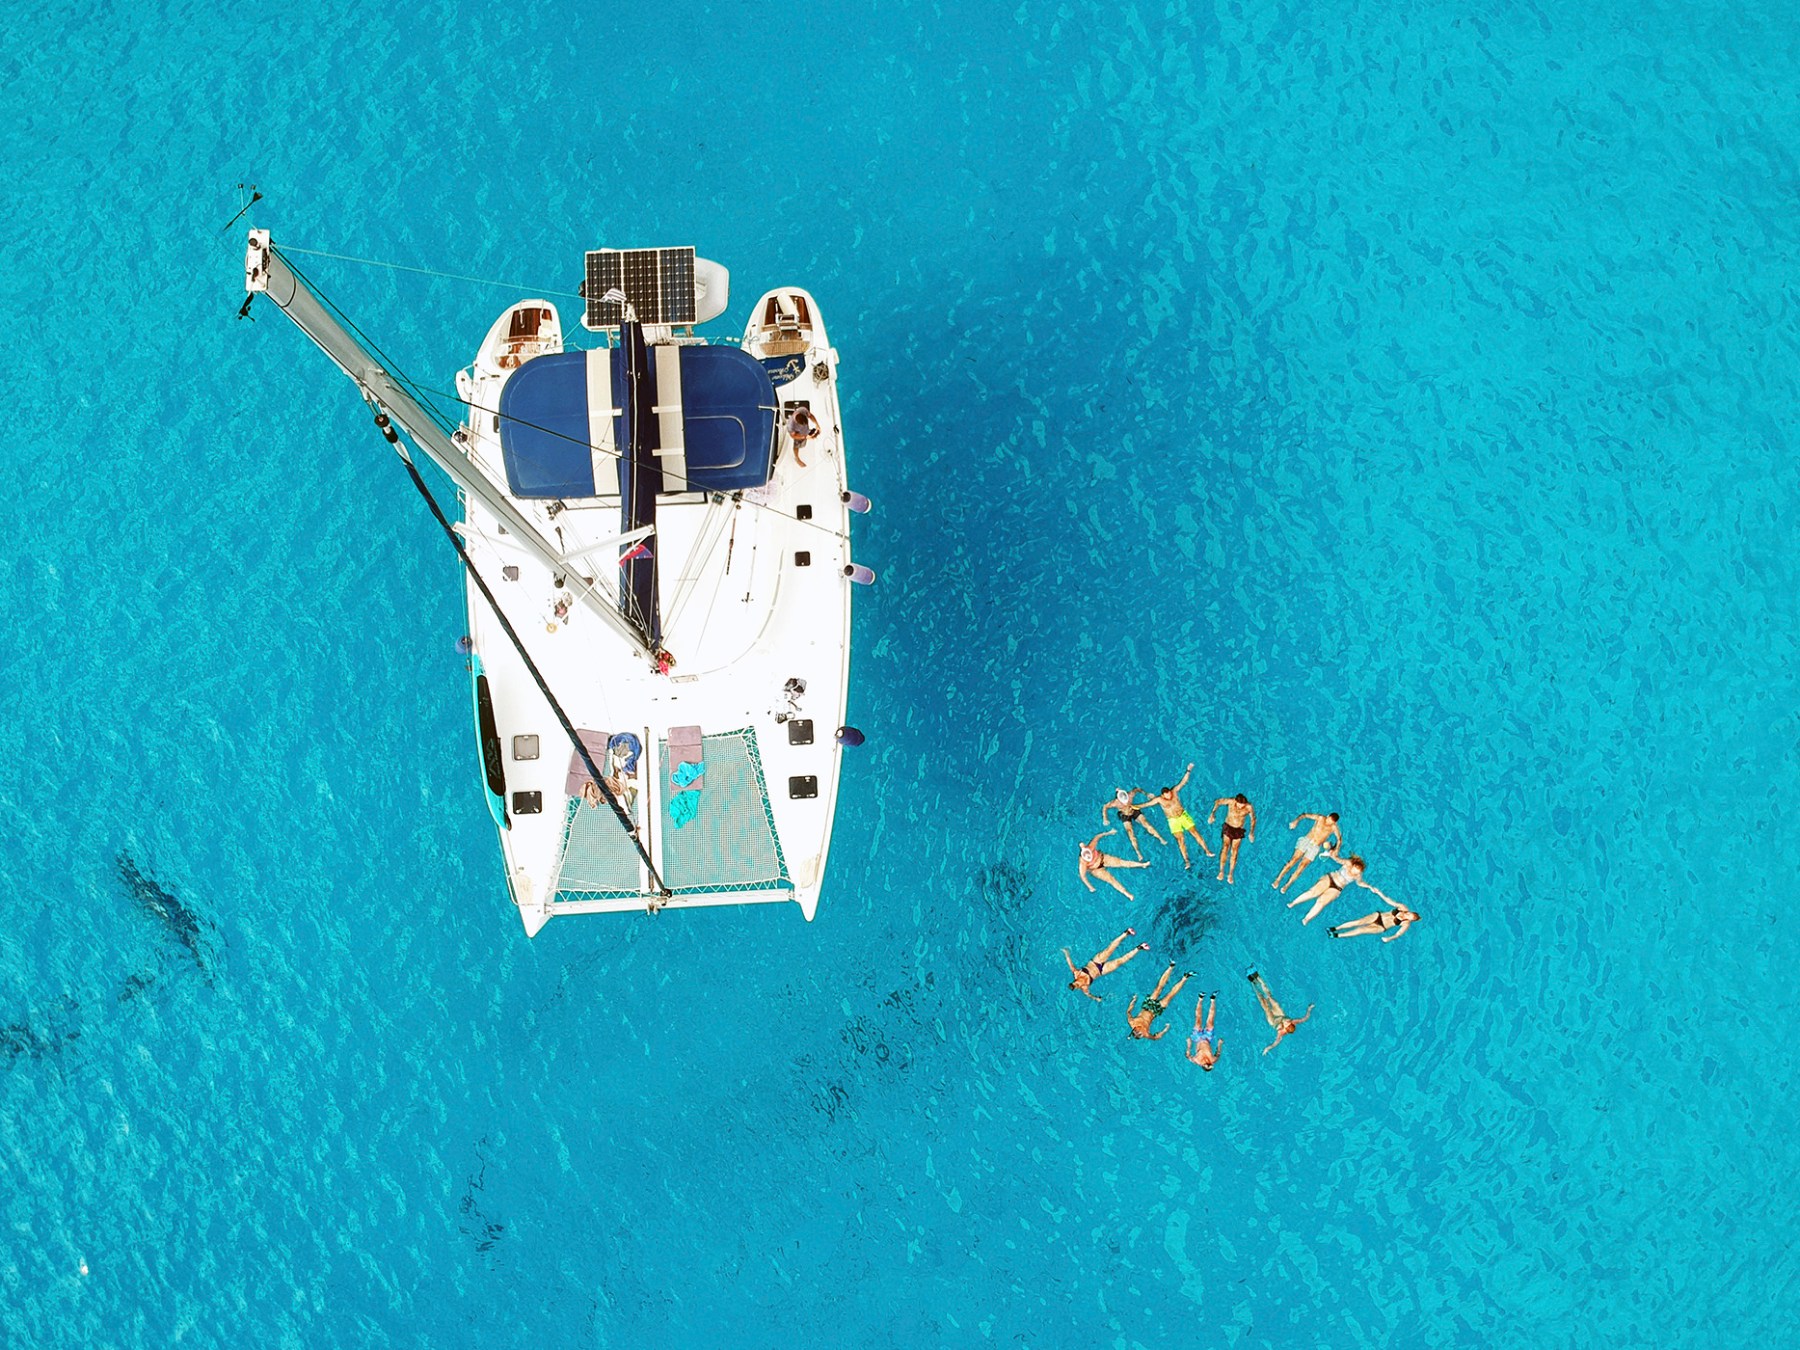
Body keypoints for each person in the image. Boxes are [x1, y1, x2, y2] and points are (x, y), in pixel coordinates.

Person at [1286, 850, 1394, 925]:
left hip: (1337, 888)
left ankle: (1306, 918)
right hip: (1330, 878)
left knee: (1321, 902)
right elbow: (1338, 859)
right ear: (1354, 865)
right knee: (1312, 892)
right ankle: (1293, 903)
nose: (1355, 873)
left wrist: (1369, 887)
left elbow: (1360, 883)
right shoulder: (1348, 863)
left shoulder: (1358, 875)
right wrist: (1332, 855)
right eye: (1355, 869)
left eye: (1358, 872)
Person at [1147, 764, 1214, 869]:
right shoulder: (1159, 800)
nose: (1169, 796)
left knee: (1195, 832)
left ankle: (1207, 850)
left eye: (1169, 794)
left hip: (1183, 815)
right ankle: (1186, 860)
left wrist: (1188, 770)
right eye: (1167, 795)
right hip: (1173, 820)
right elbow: (1146, 804)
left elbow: (1183, 782)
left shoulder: (1174, 792)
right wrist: (1134, 806)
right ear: (1163, 795)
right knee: (1181, 840)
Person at [1063, 930, 1150, 1001]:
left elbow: (1070, 963)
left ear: (1074, 981)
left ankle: (1126, 933)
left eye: (1076, 984)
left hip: (1096, 962)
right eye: (1077, 986)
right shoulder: (1084, 988)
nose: (1078, 985)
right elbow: (1089, 995)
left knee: (1110, 949)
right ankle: (1140, 947)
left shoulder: (1076, 973)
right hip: (1102, 970)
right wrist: (1096, 998)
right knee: (1120, 961)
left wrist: (1066, 953)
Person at [1272, 812, 1341, 893]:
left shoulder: (1334, 828)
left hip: (1315, 847)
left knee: (1302, 866)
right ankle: (1278, 879)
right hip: (1307, 840)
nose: (1328, 823)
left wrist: (1336, 849)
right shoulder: (1320, 818)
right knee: (1293, 860)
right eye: (1328, 820)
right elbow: (1304, 815)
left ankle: (1287, 884)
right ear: (1328, 816)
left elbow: (1339, 839)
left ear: (1334, 823)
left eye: (1331, 822)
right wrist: (1295, 821)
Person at [1247, 971, 1312, 1054]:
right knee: (1270, 998)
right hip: (1280, 1015)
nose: (1287, 1021)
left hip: (1273, 1021)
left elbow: (1275, 1043)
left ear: (1285, 1028)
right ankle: (1258, 978)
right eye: (1288, 1021)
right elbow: (1305, 1018)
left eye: (1287, 1023)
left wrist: (1267, 1049)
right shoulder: (1293, 1021)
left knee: (1264, 1004)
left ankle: (1253, 982)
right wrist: (1309, 1009)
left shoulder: (1281, 1032)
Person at [1078, 830, 1150, 900]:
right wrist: (1090, 887)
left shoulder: (1091, 846)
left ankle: (1142, 865)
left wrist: (1109, 832)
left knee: (1122, 862)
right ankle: (1127, 894)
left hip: (1103, 858)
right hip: (1096, 869)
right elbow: (1083, 876)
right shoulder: (1083, 863)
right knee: (1111, 880)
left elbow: (1098, 836)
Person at [1127, 965, 1193, 1039]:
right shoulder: (1146, 1034)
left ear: (1135, 1029)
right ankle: (1185, 978)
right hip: (1155, 1012)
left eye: (1140, 1030)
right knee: (1170, 996)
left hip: (1147, 1006)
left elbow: (1128, 1012)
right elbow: (1156, 1037)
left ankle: (1170, 967)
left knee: (1158, 988)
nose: (1143, 1030)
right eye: (1142, 1033)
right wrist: (1165, 1029)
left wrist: (1133, 1000)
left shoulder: (1132, 1022)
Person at [1101, 788, 1166, 861]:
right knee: (1130, 833)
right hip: (1124, 815)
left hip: (1133, 810)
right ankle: (1138, 852)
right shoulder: (1115, 803)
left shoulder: (1130, 795)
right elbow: (1105, 807)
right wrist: (1105, 818)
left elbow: (1137, 789)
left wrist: (1147, 794)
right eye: (1123, 803)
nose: (1125, 803)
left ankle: (1160, 838)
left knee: (1146, 824)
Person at [1208, 792, 1256, 884]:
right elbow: (1218, 802)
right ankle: (1221, 871)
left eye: (1243, 806)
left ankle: (1230, 874)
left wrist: (1251, 832)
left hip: (1238, 830)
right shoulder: (1230, 801)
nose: (1241, 807)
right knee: (1225, 847)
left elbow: (1253, 819)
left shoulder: (1249, 807)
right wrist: (1213, 813)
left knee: (1234, 851)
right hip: (1228, 827)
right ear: (1236, 801)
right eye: (1239, 805)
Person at [1329, 907, 1420, 942]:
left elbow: (1398, 934)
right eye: (1409, 914)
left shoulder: (1405, 924)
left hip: (1381, 927)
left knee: (1360, 930)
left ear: (1410, 920)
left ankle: (1337, 935)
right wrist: (1379, 893)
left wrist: (1389, 938)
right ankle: (1336, 928)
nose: (1407, 916)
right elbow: (1390, 901)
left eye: (1409, 917)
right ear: (1410, 911)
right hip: (1377, 916)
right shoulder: (1402, 907)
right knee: (1358, 922)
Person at [1185, 991, 1222, 1070]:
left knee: (1198, 1021)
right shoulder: (1213, 1060)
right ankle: (1213, 999)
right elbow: (1218, 1054)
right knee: (1211, 1022)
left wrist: (1188, 1044)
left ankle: (1200, 999)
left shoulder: (1197, 1060)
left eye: (1206, 1063)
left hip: (1197, 1038)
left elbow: (1188, 1056)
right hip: (1207, 1038)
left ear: (1202, 1065)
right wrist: (1219, 1044)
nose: (1207, 1061)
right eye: (1209, 1063)